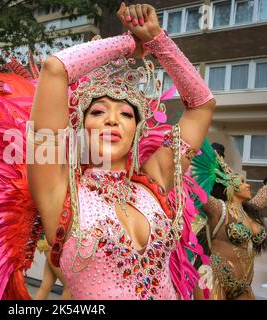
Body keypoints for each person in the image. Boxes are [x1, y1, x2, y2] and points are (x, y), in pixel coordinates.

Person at [27, 2, 216, 300]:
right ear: (79, 126)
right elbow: (54, 70)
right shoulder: (59, 190)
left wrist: (157, 38)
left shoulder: (153, 181)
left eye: (126, 115)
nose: (112, 119)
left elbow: (202, 106)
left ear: (137, 131)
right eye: (98, 111)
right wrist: (130, 42)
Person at [192, 140, 267, 299]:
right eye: (242, 181)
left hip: (244, 285)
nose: (247, 185)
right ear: (230, 185)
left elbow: (264, 194)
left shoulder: (251, 209)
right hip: (213, 280)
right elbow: (195, 189)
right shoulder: (219, 209)